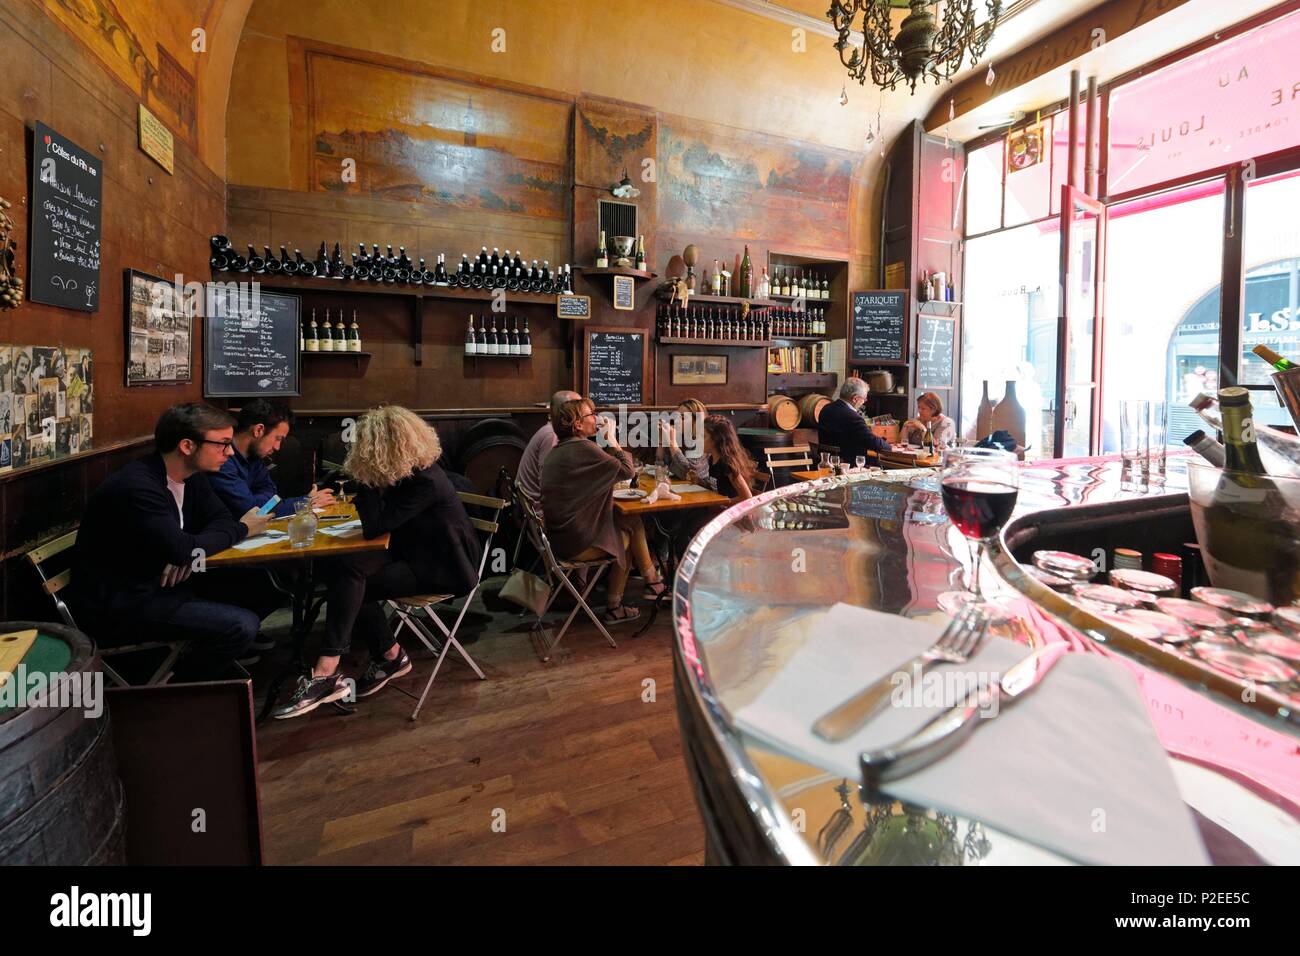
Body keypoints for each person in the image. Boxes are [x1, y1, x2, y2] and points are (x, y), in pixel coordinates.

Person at [273, 406, 482, 718]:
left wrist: (366, 480)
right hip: (414, 552)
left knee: (351, 584)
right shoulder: (410, 472)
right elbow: (383, 526)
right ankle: (382, 658)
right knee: (346, 570)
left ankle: (334, 671)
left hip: (445, 567)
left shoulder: (425, 481)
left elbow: (375, 526)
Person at [66, 403, 274, 681]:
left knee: (266, 583)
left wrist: (189, 553)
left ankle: (191, 662)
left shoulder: (192, 477)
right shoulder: (138, 486)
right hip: (123, 604)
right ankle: (177, 687)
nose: (230, 452)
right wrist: (241, 530)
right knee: (241, 626)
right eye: (223, 444)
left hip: (164, 585)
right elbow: (191, 545)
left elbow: (220, 520)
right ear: (187, 446)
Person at [540, 397, 665, 625]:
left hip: (558, 538)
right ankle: (619, 604)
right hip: (576, 544)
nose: (596, 418)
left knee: (632, 521)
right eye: (591, 415)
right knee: (626, 538)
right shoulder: (584, 448)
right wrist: (612, 440)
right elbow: (627, 471)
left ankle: (651, 581)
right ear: (578, 424)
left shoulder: (561, 450)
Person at [209, 399, 335, 518]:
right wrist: (305, 502)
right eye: (278, 438)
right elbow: (250, 510)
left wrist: (258, 502)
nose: (277, 447)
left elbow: (272, 496)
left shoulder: (254, 457)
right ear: (259, 430)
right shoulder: (221, 461)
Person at [515, 388, 579, 519]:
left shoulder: (551, 431)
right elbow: (549, 484)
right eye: (580, 408)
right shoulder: (552, 435)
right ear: (566, 412)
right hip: (541, 515)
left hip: (534, 510)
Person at [818, 377, 890, 464]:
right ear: (855, 399)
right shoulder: (852, 417)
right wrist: (889, 447)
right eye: (864, 398)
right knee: (883, 464)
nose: (864, 402)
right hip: (849, 464)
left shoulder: (826, 409)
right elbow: (871, 441)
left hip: (828, 462)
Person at [658, 398, 709, 483]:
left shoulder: (703, 441)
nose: (676, 421)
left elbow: (691, 473)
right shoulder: (680, 437)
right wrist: (661, 439)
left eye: (682, 417)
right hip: (679, 485)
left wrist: (672, 443)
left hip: (700, 489)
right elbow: (661, 464)